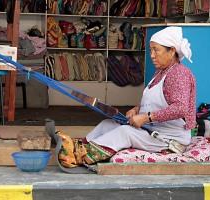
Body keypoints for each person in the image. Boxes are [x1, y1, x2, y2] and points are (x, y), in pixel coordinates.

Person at [80, 26, 197, 165]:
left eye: (156, 50)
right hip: (153, 130)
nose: (152, 55)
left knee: (125, 132)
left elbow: (180, 108)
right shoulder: (160, 72)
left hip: (169, 137)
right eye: (150, 50)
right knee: (107, 125)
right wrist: (136, 110)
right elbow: (154, 101)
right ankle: (80, 147)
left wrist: (146, 118)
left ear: (171, 51)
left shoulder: (179, 74)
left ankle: (82, 156)